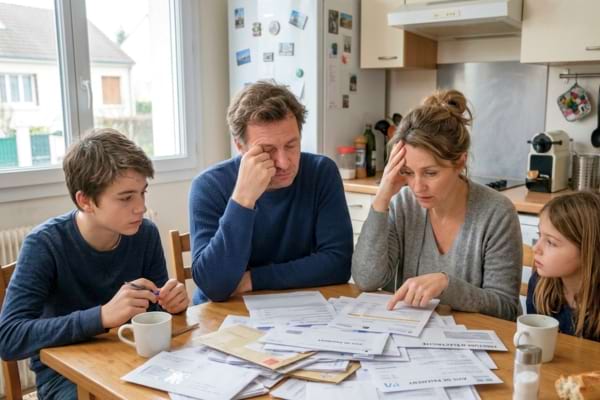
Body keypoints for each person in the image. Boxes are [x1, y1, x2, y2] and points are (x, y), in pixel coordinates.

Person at [0, 129, 189, 400]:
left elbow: (155, 310)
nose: (141, 207)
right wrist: (100, 316)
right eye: (126, 198)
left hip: (133, 359)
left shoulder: (145, 234)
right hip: (66, 376)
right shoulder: (44, 244)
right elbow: (9, 338)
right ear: (85, 201)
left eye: (142, 193)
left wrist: (173, 304)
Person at [352, 89, 522, 321]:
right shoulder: (404, 204)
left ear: (460, 161)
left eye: (430, 173)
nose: (417, 186)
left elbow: (506, 308)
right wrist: (382, 197)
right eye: (408, 172)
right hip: (409, 341)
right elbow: (366, 280)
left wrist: (446, 285)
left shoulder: (496, 213)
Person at [188, 81, 353, 303]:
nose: (283, 163)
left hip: (297, 309)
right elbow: (215, 286)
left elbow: (338, 264)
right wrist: (243, 198)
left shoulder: (321, 173)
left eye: (291, 145)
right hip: (224, 318)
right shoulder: (208, 186)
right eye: (267, 151)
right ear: (240, 146)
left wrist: (253, 279)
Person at [526, 192, 600, 341]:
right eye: (539, 235)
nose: (536, 248)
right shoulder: (539, 285)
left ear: (588, 251)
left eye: (551, 242)